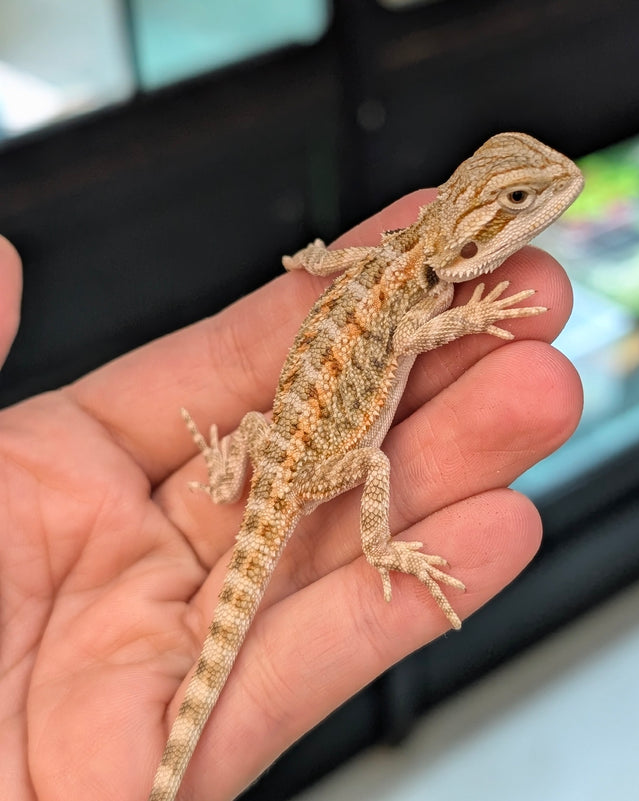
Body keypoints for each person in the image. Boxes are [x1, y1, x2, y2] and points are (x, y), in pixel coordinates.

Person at [0, 188, 582, 801]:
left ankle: (227, 477)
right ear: (468, 231)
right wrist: (470, 318)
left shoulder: (388, 259)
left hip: (276, 446)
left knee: (261, 427)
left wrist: (311, 258)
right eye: (517, 199)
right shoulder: (415, 278)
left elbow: (330, 265)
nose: (540, 199)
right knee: (372, 461)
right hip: (312, 463)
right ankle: (380, 550)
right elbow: (408, 334)